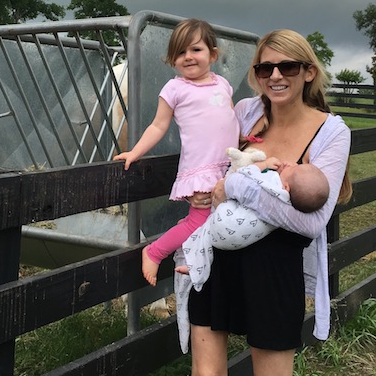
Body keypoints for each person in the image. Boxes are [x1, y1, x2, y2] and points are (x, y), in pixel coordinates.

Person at [179, 29, 352, 375]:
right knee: (205, 372)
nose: (275, 76)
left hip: (274, 269)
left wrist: (237, 187)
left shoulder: (331, 132)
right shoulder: (245, 112)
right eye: (264, 69)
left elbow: (311, 222)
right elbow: (207, 169)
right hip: (217, 258)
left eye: (287, 67)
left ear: (308, 72)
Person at [113, 19, 239, 286]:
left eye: (195, 50)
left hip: (226, 166)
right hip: (202, 169)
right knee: (199, 220)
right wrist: (134, 152)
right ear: (172, 61)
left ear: (212, 55)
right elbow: (158, 126)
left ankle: (199, 264)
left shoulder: (223, 84)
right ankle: (155, 251)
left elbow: (230, 120)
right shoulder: (175, 89)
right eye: (180, 53)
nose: (188, 57)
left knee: (222, 220)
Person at [177, 152, 330, 293]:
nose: (292, 164)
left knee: (204, 231)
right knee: (207, 239)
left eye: (295, 168)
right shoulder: (291, 207)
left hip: (226, 220)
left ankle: (192, 264)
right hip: (239, 240)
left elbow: (243, 176)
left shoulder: (273, 182)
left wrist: (264, 165)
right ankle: (196, 269)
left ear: (286, 187)